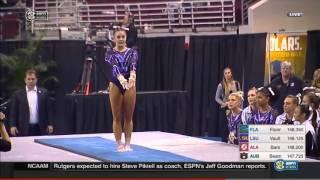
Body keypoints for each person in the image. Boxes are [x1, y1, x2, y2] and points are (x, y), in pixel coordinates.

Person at [105, 28, 138, 152]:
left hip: (129, 83)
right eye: (118, 37)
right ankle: (119, 144)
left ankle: (128, 144)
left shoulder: (132, 52)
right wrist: (121, 79)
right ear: (114, 39)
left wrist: (132, 75)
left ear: (126, 38)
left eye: (123, 37)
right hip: (115, 84)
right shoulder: (109, 53)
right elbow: (114, 66)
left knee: (129, 117)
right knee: (117, 117)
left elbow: (133, 64)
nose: (121, 39)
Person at [10, 69, 54, 136]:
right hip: (24, 128)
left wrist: (50, 124)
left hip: (40, 127)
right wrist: (12, 125)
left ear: (36, 80)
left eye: (33, 79)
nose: (31, 81)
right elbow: (14, 112)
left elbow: (49, 110)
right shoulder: (17, 94)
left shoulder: (44, 93)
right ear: (25, 80)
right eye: (29, 79)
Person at [215, 67, 241, 142]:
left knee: (236, 125)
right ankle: (224, 141)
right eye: (225, 73)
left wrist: (239, 103)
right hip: (226, 108)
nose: (227, 74)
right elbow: (216, 98)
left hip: (236, 108)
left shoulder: (236, 83)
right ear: (224, 75)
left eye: (228, 72)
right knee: (226, 126)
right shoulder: (221, 85)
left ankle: (235, 140)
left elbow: (240, 95)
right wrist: (224, 103)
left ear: (231, 73)